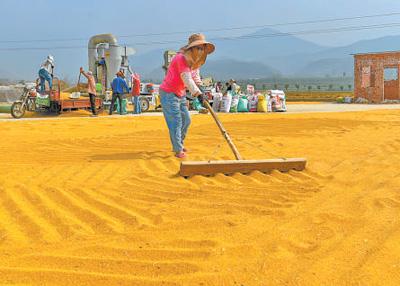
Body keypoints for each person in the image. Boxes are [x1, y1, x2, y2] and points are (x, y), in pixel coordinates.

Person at [159, 33, 215, 158]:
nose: (200, 51)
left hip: (180, 93)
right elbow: (187, 79)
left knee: (186, 120)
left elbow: (195, 77)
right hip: (169, 92)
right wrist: (198, 94)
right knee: (176, 121)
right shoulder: (181, 58)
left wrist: (201, 90)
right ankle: (178, 149)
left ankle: (179, 143)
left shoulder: (195, 62)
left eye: (202, 49)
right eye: (198, 48)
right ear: (191, 48)